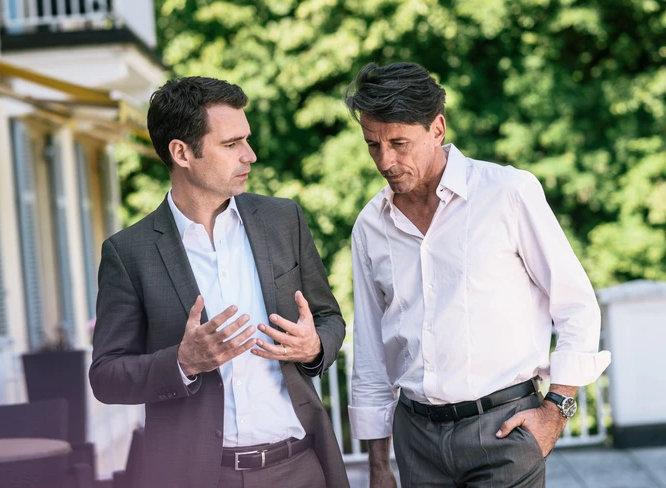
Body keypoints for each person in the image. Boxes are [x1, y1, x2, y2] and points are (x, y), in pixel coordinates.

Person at [344, 62, 611, 488]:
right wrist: (378, 464)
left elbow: (576, 306)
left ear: (437, 128)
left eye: (399, 143)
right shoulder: (370, 225)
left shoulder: (508, 193)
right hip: (416, 440)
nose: (385, 161)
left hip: (505, 432)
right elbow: (371, 352)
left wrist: (556, 411)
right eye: (373, 145)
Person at [89, 76, 349, 488]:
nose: (250, 155)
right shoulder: (129, 253)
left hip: (299, 467)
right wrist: (183, 362)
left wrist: (314, 346)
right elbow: (106, 376)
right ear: (182, 153)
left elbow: (328, 318)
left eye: (246, 140)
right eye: (231, 144)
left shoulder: (284, 220)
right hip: (200, 476)